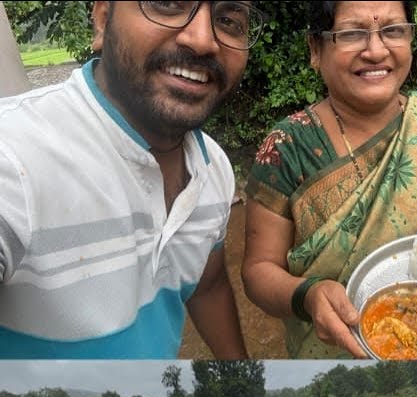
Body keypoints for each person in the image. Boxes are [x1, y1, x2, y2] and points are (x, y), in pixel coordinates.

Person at [242, 0, 417, 358]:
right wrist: (308, 295)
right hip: (334, 349)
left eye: (393, 30)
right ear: (316, 49)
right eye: (351, 33)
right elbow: (258, 270)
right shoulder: (288, 148)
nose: (376, 51)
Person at [0, 1, 262, 359]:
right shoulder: (14, 156)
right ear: (103, 19)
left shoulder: (213, 168)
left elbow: (207, 284)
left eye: (229, 20)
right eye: (168, 4)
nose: (203, 40)